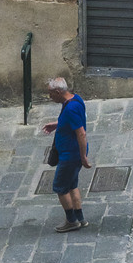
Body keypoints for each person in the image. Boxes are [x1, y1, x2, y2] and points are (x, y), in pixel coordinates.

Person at [44, 73, 89, 230]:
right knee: (72, 185)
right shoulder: (75, 99)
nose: (50, 97)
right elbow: (73, 121)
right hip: (72, 154)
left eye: (50, 93)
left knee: (60, 187)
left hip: (70, 155)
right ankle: (80, 218)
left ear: (58, 92)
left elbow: (81, 133)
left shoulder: (70, 108)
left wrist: (83, 157)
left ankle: (71, 221)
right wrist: (57, 124)